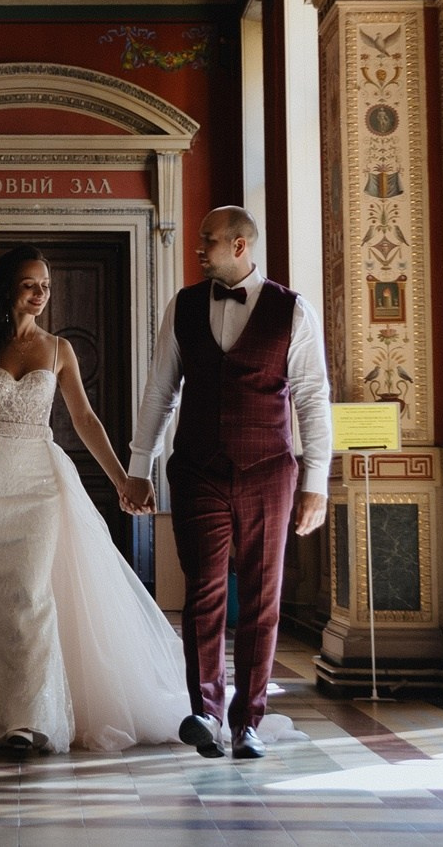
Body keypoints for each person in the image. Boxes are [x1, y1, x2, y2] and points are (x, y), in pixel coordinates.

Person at [0, 245, 188, 756]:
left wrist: (123, 479)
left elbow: (85, 420)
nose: (40, 294)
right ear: (8, 288)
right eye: (30, 284)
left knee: (30, 595)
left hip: (39, 482)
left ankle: (28, 721)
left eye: (46, 286)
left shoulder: (58, 350)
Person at [129, 206, 332, 759]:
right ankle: (206, 712)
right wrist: (139, 467)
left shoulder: (293, 310)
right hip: (198, 470)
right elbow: (160, 390)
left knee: (263, 599)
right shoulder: (184, 305)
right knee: (204, 593)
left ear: (240, 245)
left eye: (208, 240)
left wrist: (317, 482)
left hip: (269, 471)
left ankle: (248, 722)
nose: (199, 248)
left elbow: (313, 397)